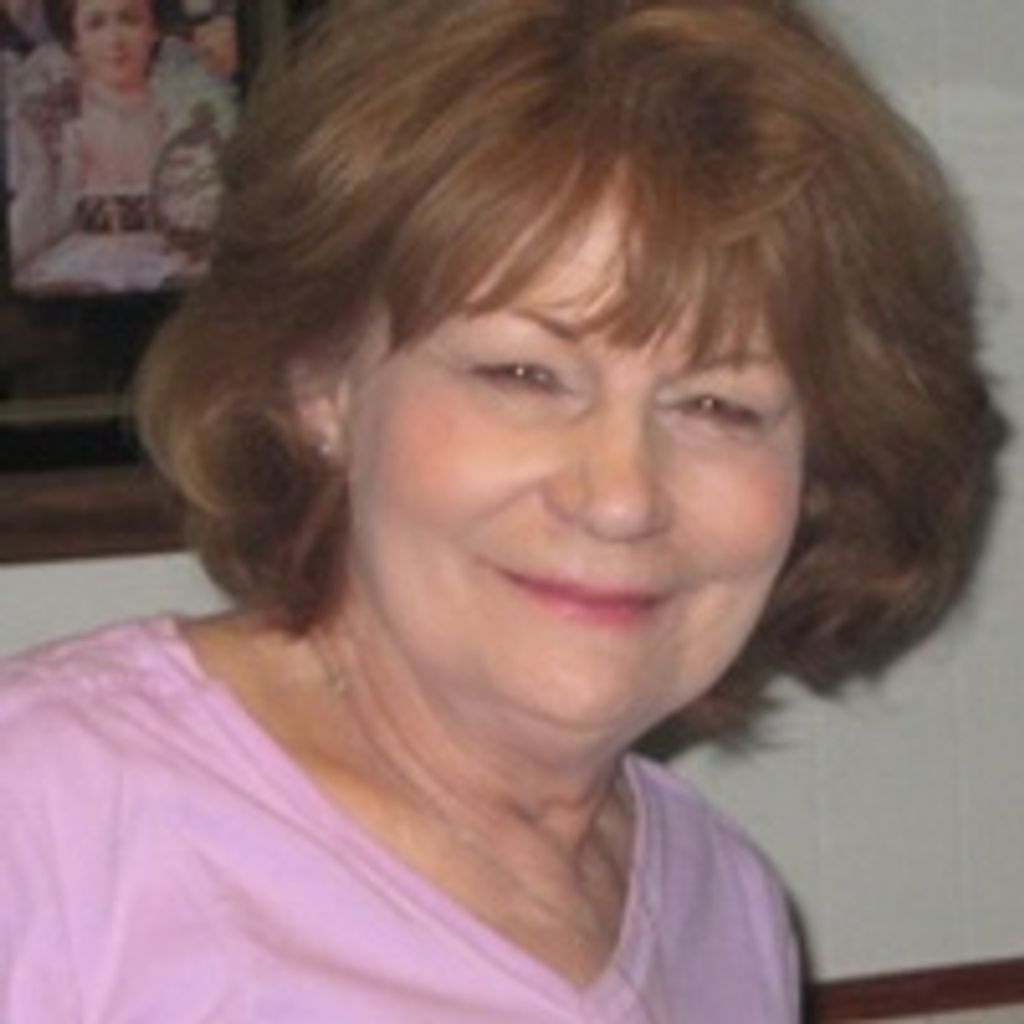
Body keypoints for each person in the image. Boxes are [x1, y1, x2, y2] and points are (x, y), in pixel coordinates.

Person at [0, 0, 1000, 1020]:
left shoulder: (725, 909)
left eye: (717, 405)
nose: (620, 497)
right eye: (524, 374)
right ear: (321, 385)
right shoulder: (48, 826)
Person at [6, 0, 236, 293]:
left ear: (154, 30)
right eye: (96, 25)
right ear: (75, 41)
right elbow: (34, 219)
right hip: (83, 265)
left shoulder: (181, 111)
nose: (114, 40)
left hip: (170, 265)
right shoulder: (57, 121)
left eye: (129, 20)